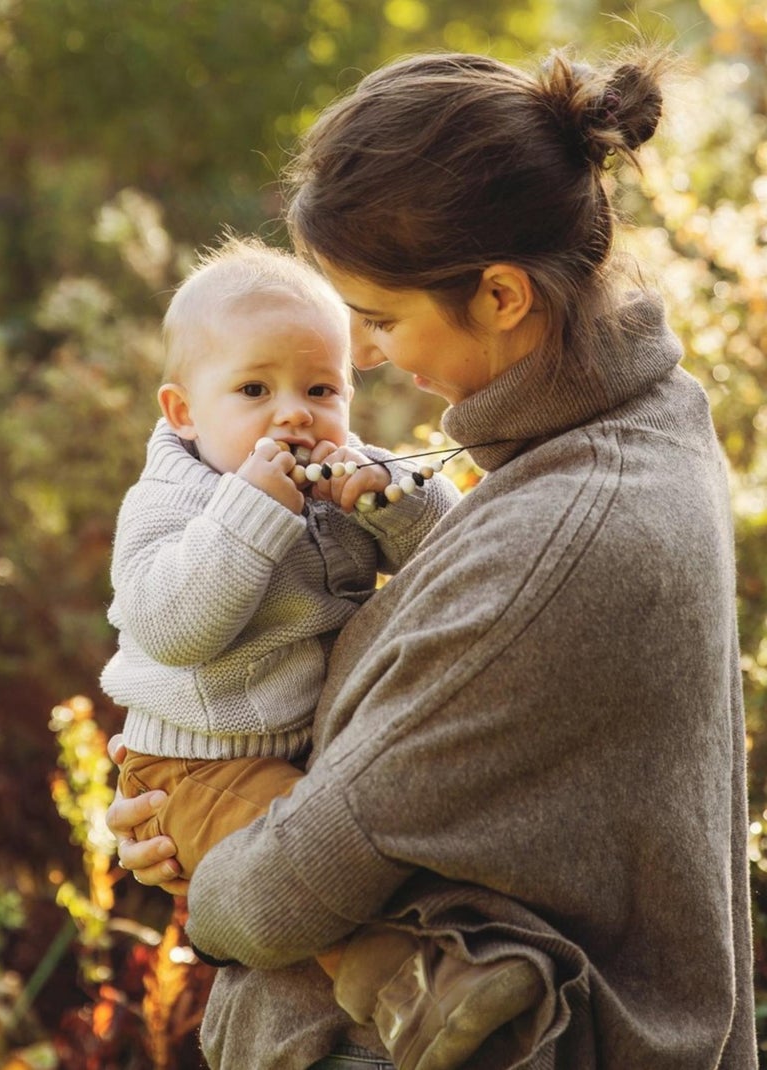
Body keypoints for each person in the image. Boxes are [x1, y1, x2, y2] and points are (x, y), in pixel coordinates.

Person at [107, 46, 758, 1070]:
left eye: (378, 320)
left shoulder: (554, 538)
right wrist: (187, 799)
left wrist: (202, 870)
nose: (365, 359)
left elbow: (287, 891)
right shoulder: (627, 429)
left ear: (500, 296)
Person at [101, 236, 544, 1070]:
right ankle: (414, 996)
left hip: (298, 749)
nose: (292, 414)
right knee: (307, 864)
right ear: (182, 412)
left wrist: (394, 504)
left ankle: (453, 960)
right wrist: (251, 512)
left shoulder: (333, 482)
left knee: (360, 846)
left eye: (320, 388)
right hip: (198, 767)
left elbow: (457, 564)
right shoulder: (173, 500)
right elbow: (172, 627)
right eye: (253, 390)